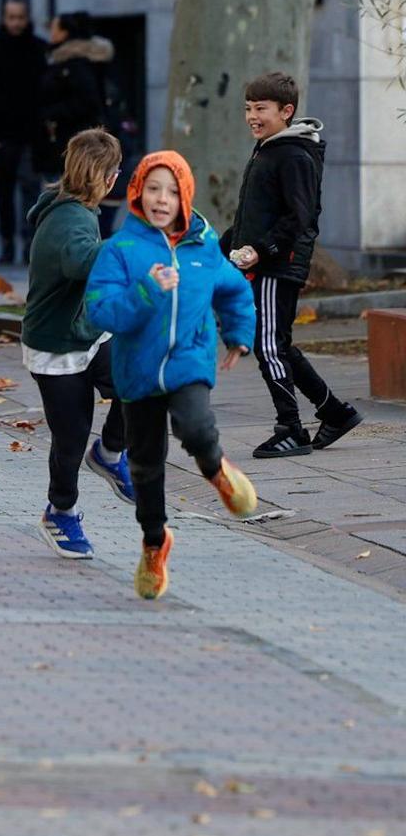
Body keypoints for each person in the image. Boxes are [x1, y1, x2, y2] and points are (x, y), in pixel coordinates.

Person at [84, 152, 259, 600]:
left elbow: (235, 289)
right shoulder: (120, 250)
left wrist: (239, 334)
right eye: (153, 188)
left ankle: (216, 469)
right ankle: (154, 543)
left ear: (186, 196)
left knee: (195, 427)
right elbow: (99, 311)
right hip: (136, 374)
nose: (162, 199)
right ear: (138, 192)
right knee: (144, 465)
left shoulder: (203, 247)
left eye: (172, 190)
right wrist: (146, 291)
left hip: (189, 362)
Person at [223, 71, 363, 458]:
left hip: (276, 264)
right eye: (248, 108)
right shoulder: (269, 149)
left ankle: (291, 429)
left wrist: (262, 251)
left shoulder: (293, 154)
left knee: (267, 345)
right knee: (278, 344)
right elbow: (257, 215)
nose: (252, 115)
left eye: (261, 109)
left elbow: (299, 217)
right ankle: (335, 412)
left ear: (286, 111)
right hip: (266, 260)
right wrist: (222, 246)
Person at [22, 129, 133, 559]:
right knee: (68, 440)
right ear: (106, 176)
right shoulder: (69, 219)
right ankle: (59, 512)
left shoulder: (78, 208)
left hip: (87, 331)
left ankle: (109, 452)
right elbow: (81, 261)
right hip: (56, 348)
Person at [0, 0, 49, 264]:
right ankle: (7, 244)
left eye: (20, 17)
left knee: (30, 192)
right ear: (4, 18)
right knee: (4, 195)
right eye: (11, 17)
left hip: (30, 136)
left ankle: (29, 243)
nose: (16, 23)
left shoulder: (39, 50)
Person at [36, 12, 117, 179]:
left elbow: (85, 101)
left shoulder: (75, 64)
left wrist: (51, 113)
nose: (51, 33)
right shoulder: (79, 61)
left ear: (65, 32)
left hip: (72, 141)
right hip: (74, 140)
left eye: (54, 28)